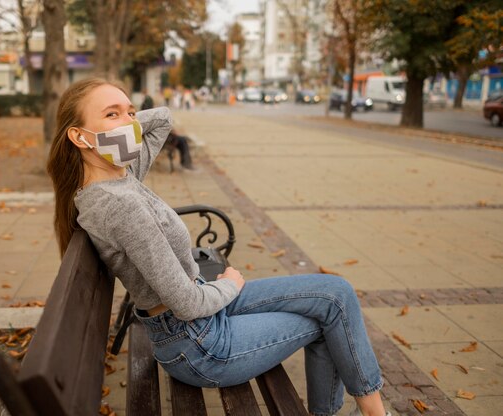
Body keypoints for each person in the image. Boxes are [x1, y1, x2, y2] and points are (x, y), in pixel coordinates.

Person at [46, 77, 392, 416]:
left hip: (201, 314)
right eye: (112, 114)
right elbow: (184, 303)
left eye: (131, 112)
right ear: (78, 136)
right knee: (329, 321)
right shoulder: (118, 204)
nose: (130, 122)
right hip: (199, 345)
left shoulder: (120, 174)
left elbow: (164, 117)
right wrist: (229, 285)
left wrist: (121, 125)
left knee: (336, 293)